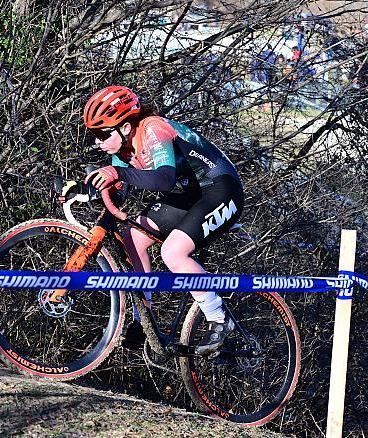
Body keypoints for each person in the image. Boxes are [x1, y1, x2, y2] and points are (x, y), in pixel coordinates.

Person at [81, 85, 245, 354]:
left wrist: (117, 174)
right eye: (93, 135)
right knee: (133, 239)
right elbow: (119, 188)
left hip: (220, 189)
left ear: (124, 127)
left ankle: (219, 319)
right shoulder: (122, 151)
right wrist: (84, 188)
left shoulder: (153, 129)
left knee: (172, 252)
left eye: (101, 133)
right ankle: (142, 319)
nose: (96, 141)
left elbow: (164, 179)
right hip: (189, 195)